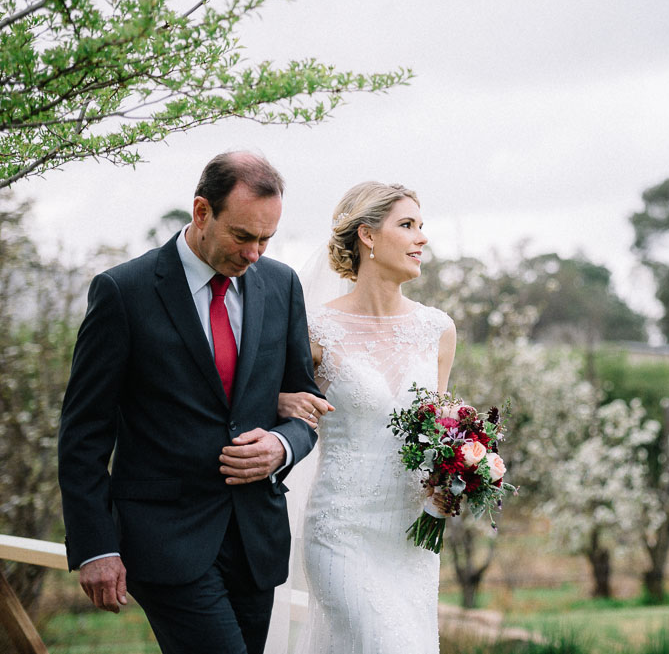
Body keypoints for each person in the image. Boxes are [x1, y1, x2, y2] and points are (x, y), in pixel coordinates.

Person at [57, 152, 326, 654]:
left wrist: (281, 447)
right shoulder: (123, 291)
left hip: (255, 541)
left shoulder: (282, 284)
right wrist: (95, 546)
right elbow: (83, 432)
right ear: (201, 212)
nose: (254, 253)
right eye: (242, 236)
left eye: (266, 239)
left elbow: (306, 402)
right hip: (164, 540)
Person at [274, 181, 456, 654]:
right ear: (368, 236)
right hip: (342, 531)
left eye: (422, 226)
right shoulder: (314, 331)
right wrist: (282, 403)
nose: (422, 238)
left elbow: (439, 433)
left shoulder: (438, 330)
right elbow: (272, 407)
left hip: (413, 534)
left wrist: (459, 475)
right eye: (408, 225)